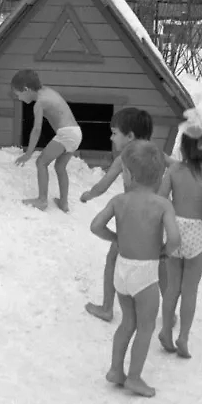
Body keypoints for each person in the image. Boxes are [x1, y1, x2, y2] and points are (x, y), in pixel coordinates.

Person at [90, 141, 181, 398]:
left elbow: (95, 226)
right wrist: (165, 251)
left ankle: (115, 370)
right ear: (161, 176)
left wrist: (115, 238)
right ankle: (134, 378)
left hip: (122, 270)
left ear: (128, 174)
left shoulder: (119, 201)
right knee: (146, 326)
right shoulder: (162, 204)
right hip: (145, 273)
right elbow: (175, 239)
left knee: (127, 322)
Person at [158, 109, 202, 359]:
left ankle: (166, 330)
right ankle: (184, 337)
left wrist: (164, 223)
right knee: (190, 289)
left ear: (183, 146)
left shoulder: (174, 171)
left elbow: (161, 198)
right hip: (198, 232)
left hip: (174, 229)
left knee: (171, 287)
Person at [80, 106, 156, 322]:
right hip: (156, 218)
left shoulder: (124, 159)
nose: (111, 138)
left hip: (132, 219)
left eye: (114, 133)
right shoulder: (157, 155)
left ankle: (107, 308)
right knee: (160, 266)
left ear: (130, 136)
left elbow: (103, 185)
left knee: (112, 260)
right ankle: (170, 313)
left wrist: (88, 195)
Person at [11, 69, 81, 212]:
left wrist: (28, 153)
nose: (19, 98)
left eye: (18, 95)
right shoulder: (47, 91)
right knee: (60, 167)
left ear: (26, 89)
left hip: (66, 134)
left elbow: (36, 130)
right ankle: (63, 203)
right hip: (76, 133)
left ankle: (42, 200)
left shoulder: (39, 103)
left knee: (41, 162)